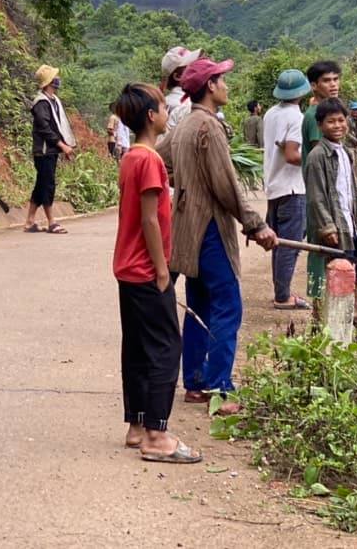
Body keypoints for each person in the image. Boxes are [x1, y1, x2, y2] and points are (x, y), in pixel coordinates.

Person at [158, 57, 278, 415]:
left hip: (187, 230)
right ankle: (218, 385)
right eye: (222, 80)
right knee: (227, 306)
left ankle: (195, 381)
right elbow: (226, 186)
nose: (227, 85)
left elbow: (158, 160)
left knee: (199, 307)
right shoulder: (208, 128)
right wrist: (256, 223)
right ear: (210, 86)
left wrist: (186, 185)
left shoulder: (183, 126)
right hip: (210, 228)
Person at [112, 83, 201, 464]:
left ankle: (136, 425)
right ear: (151, 116)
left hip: (127, 268)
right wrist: (163, 271)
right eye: (164, 107)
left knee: (136, 346)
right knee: (166, 346)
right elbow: (150, 219)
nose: (167, 113)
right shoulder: (148, 161)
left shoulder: (131, 157)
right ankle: (157, 434)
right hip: (146, 269)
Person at [305, 98, 357, 325]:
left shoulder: (345, 153)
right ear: (320, 125)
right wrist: (327, 227)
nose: (337, 125)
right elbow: (316, 197)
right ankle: (332, 319)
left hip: (351, 222)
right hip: (336, 225)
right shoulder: (317, 157)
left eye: (341, 120)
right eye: (331, 122)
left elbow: (353, 191)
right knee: (342, 267)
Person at [263, 70, 311, 311]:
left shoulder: (270, 114)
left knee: (279, 242)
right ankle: (282, 296)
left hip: (274, 186)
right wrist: (314, 158)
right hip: (292, 188)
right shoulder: (297, 117)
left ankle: (281, 290)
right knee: (290, 244)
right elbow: (293, 155)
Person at [26, 64, 76, 234]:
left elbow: (57, 127)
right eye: (55, 78)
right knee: (48, 184)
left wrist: (63, 146)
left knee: (41, 184)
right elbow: (44, 128)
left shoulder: (53, 101)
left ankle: (30, 221)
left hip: (51, 150)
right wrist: (62, 145)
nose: (58, 80)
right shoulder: (41, 103)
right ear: (49, 83)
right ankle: (51, 221)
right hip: (44, 150)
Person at [301, 60, 342, 161]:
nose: (333, 84)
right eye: (326, 80)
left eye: (335, 79)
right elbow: (320, 157)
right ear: (314, 85)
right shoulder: (316, 114)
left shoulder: (328, 111)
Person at [161, 45, 201, 132]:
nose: (197, 68)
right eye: (191, 66)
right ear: (178, 76)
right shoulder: (187, 105)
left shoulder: (164, 102)